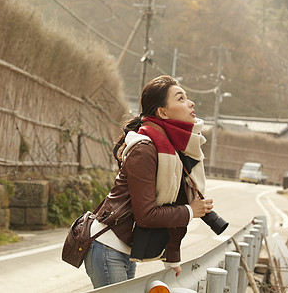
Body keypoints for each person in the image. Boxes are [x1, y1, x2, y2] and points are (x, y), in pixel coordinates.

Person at [83, 75, 214, 289]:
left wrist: (172, 257)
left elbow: (169, 204)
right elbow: (147, 215)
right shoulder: (144, 148)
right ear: (162, 112)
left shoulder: (173, 149)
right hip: (108, 247)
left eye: (187, 98)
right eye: (180, 98)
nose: (191, 103)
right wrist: (191, 211)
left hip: (127, 249)